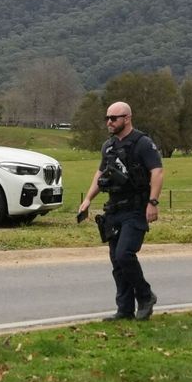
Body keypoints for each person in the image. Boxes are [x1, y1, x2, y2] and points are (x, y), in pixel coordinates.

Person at [77, 101, 164, 321]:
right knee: (116, 262)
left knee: (125, 254)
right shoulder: (108, 146)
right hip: (114, 209)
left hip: (136, 209)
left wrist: (152, 203)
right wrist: (88, 199)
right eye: (107, 118)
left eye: (113, 118)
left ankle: (145, 297)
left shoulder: (142, 143)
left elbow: (157, 172)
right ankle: (124, 309)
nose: (109, 122)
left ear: (127, 118)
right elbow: (100, 175)